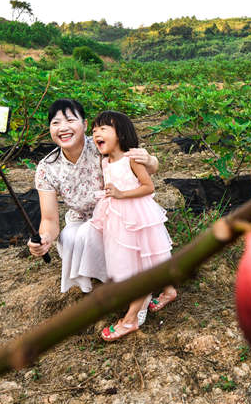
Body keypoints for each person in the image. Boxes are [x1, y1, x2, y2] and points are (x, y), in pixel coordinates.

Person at [28, 99, 159, 294]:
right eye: (55, 123)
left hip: (117, 213)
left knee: (88, 234)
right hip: (81, 218)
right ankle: (96, 280)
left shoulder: (101, 146)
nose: (63, 128)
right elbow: (49, 219)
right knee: (68, 237)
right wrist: (45, 239)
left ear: (85, 124)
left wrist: (150, 159)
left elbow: (147, 166)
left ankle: (125, 281)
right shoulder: (47, 168)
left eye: (70, 120)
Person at [88, 110, 178, 341]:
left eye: (103, 129)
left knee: (144, 262)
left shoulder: (132, 159)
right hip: (117, 217)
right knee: (138, 259)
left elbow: (148, 187)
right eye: (94, 130)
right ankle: (168, 291)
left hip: (138, 215)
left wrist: (121, 193)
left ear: (120, 133)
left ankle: (130, 319)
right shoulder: (105, 160)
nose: (96, 133)